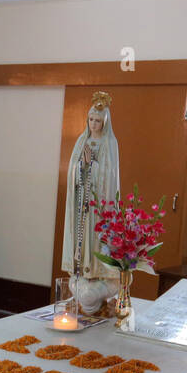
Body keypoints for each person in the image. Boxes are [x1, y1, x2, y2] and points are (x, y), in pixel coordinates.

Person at [62, 90, 122, 314]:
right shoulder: (82, 141)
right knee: (83, 237)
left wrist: (92, 166)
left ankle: (98, 273)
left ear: (105, 121)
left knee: (97, 238)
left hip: (99, 207)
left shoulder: (109, 144)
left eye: (98, 120)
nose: (94, 124)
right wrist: (82, 167)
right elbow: (72, 174)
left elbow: (109, 177)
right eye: (91, 120)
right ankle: (82, 272)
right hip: (82, 207)